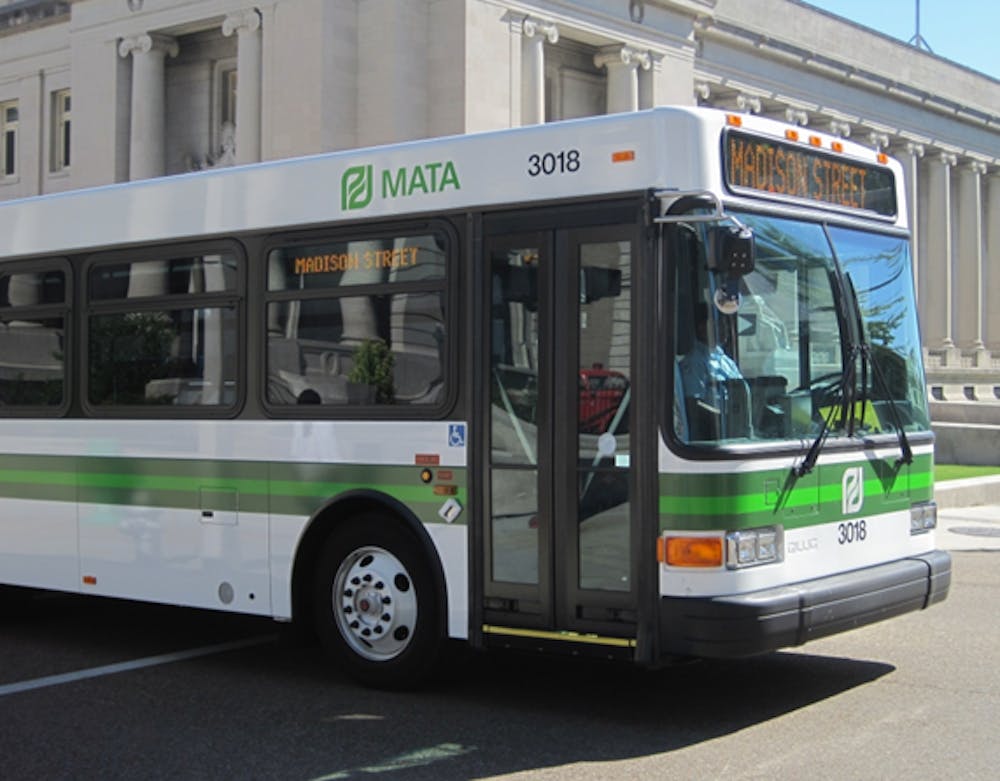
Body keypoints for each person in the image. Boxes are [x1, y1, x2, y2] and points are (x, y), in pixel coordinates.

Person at [677, 301, 749, 440]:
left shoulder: (725, 360)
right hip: (713, 434)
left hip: (737, 429)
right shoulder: (694, 362)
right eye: (718, 324)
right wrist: (722, 417)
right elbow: (693, 405)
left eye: (725, 324)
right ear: (701, 328)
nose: (724, 329)